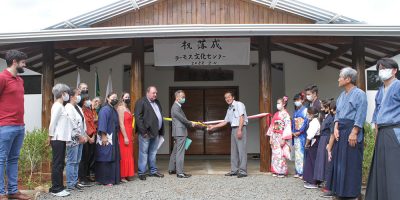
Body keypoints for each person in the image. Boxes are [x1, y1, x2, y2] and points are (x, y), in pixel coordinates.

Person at [366, 58, 400, 200]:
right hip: (382, 131)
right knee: (381, 167)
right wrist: (376, 126)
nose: (381, 71)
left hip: (395, 130)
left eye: (384, 68)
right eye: (380, 69)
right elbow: (377, 111)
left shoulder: (398, 86)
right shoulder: (380, 90)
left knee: (393, 168)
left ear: (394, 70)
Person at [331, 67, 367, 199]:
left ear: (348, 79)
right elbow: (338, 114)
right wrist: (335, 127)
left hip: (352, 129)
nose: (338, 79)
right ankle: (341, 191)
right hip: (341, 130)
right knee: (340, 162)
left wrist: (355, 131)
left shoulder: (359, 94)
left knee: (352, 162)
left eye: (340, 76)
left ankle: (353, 193)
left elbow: (361, 113)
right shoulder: (341, 95)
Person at [0, 50, 31, 200]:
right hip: (5, 126)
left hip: (20, 125)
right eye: (23, 62)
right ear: (14, 62)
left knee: (13, 159)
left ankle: (13, 191)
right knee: (1, 159)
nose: (25, 64)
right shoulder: (2, 78)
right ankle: (1, 192)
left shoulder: (19, 80)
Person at [208, 91, 249, 178]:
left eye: (229, 97)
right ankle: (234, 170)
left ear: (233, 97)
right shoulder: (229, 109)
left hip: (240, 128)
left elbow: (242, 117)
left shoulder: (239, 104)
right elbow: (225, 121)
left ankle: (243, 171)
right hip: (233, 129)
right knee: (234, 151)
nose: (227, 99)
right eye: (226, 98)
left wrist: (240, 129)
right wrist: (213, 126)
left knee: (241, 150)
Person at [134, 86, 165, 181]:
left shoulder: (157, 102)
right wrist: (143, 132)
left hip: (155, 132)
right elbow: (138, 118)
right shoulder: (141, 102)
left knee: (153, 152)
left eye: (156, 93)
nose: (155, 94)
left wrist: (161, 131)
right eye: (153, 93)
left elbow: (159, 116)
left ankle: (153, 171)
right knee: (143, 153)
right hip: (146, 133)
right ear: (147, 93)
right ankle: (141, 172)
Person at [48, 83, 71, 197]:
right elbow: (53, 123)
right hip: (57, 138)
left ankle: (59, 186)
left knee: (60, 163)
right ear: (63, 94)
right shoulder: (57, 106)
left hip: (61, 138)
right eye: (67, 93)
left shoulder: (61, 106)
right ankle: (56, 188)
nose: (68, 95)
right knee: (58, 163)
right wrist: (50, 136)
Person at [168, 90, 196, 178]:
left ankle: (171, 168)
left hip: (178, 132)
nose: (184, 98)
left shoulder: (177, 107)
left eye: (184, 97)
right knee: (180, 152)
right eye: (182, 97)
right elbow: (182, 119)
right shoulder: (176, 107)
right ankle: (180, 172)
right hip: (180, 132)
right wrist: (190, 123)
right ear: (177, 98)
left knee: (175, 151)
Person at [95, 92, 120, 186]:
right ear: (108, 98)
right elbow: (102, 123)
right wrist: (104, 136)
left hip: (113, 137)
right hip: (106, 137)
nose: (115, 99)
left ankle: (113, 179)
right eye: (113, 97)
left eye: (116, 98)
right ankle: (105, 180)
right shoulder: (104, 110)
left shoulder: (113, 109)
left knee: (113, 157)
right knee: (106, 158)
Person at [65, 88, 88, 192]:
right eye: (78, 94)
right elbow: (72, 123)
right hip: (73, 139)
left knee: (77, 161)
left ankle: (75, 181)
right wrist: (79, 136)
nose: (79, 96)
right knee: (72, 161)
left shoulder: (77, 107)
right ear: (71, 96)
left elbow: (83, 123)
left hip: (80, 138)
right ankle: (70, 183)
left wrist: (85, 135)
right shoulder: (68, 107)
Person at [265, 96, 292, 178]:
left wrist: (284, 139)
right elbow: (272, 125)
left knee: (281, 154)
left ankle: (282, 171)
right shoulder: (276, 114)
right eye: (277, 103)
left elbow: (287, 127)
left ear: (283, 104)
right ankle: (275, 170)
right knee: (275, 154)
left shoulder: (286, 115)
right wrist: (270, 137)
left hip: (281, 136)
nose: (277, 105)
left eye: (279, 103)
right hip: (274, 136)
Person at [313, 99, 334, 185]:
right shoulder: (327, 116)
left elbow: (330, 130)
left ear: (328, 108)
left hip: (326, 138)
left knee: (325, 160)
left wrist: (329, 142)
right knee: (321, 160)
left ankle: (326, 180)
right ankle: (321, 179)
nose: (322, 109)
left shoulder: (331, 117)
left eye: (323, 107)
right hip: (323, 138)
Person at [79, 95, 96, 186]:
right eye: (86, 100)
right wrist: (89, 138)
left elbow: (93, 124)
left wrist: (93, 136)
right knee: (83, 159)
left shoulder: (90, 111)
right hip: (85, 137)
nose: (88, 101)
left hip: (92, 136)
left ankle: (86, 176)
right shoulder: (81, 111)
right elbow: (82, 127)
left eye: (89, 99)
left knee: (89, 158)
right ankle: (82, 178)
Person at [117, 92, 135, 182]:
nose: (128, 98)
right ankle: (122, 175)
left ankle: (128, 174)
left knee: (129, 154)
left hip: (129, 132)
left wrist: (131, 136)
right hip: (124, 133)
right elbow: (121, 123)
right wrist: (125, 137)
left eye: (129, 97)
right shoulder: (120, 108)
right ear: (122, 98)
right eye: (126, 97)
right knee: (124, 155)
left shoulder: (128, 109)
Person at [321, 101, 336, 198]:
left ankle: (330, 188)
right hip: (332, 142)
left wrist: (329, 146)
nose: (332, 111)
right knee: (330, 165)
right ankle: (329, 186)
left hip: (333, 143)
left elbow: (332, 134)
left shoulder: (335, 119)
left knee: (331, 165)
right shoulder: (333, 118)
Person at [291, 93, 308, 179]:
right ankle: (298, 171)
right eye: (295, 101)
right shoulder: (296, 112)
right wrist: (293, 132)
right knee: (297, 153)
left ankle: (302, 172)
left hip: (302, 135)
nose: (296, 102)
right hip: (296, 134)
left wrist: (300, 131)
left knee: (302, 153)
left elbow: (305, 122)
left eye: (298, 100)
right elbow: (293, 123)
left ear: (302, 100)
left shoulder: (305, 110)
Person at [303, 107, 320, 189]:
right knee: (311, 161)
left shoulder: (314, 122)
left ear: (312, 114)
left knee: (312, 162)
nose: (307, 115)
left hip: (314, 142)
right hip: (314, 142)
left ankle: (313, 181)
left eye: (308, 113)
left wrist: (306, 144)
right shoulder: (314, 121)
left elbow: (310, 135)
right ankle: (311, 180)